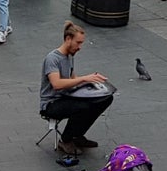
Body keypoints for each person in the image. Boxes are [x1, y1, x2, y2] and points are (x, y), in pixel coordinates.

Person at [40, 21, 114, 159]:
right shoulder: (52, 58)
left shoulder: (69, 57)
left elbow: (73, 80)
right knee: (83, 106)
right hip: (51, 103)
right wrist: (84, 79)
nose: (80, 47)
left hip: (66, 97)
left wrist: (93, 86)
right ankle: (66, 140)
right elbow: (56, 84)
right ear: (68, 39)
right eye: (78, 43)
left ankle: (78, 135)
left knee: (105, 99)